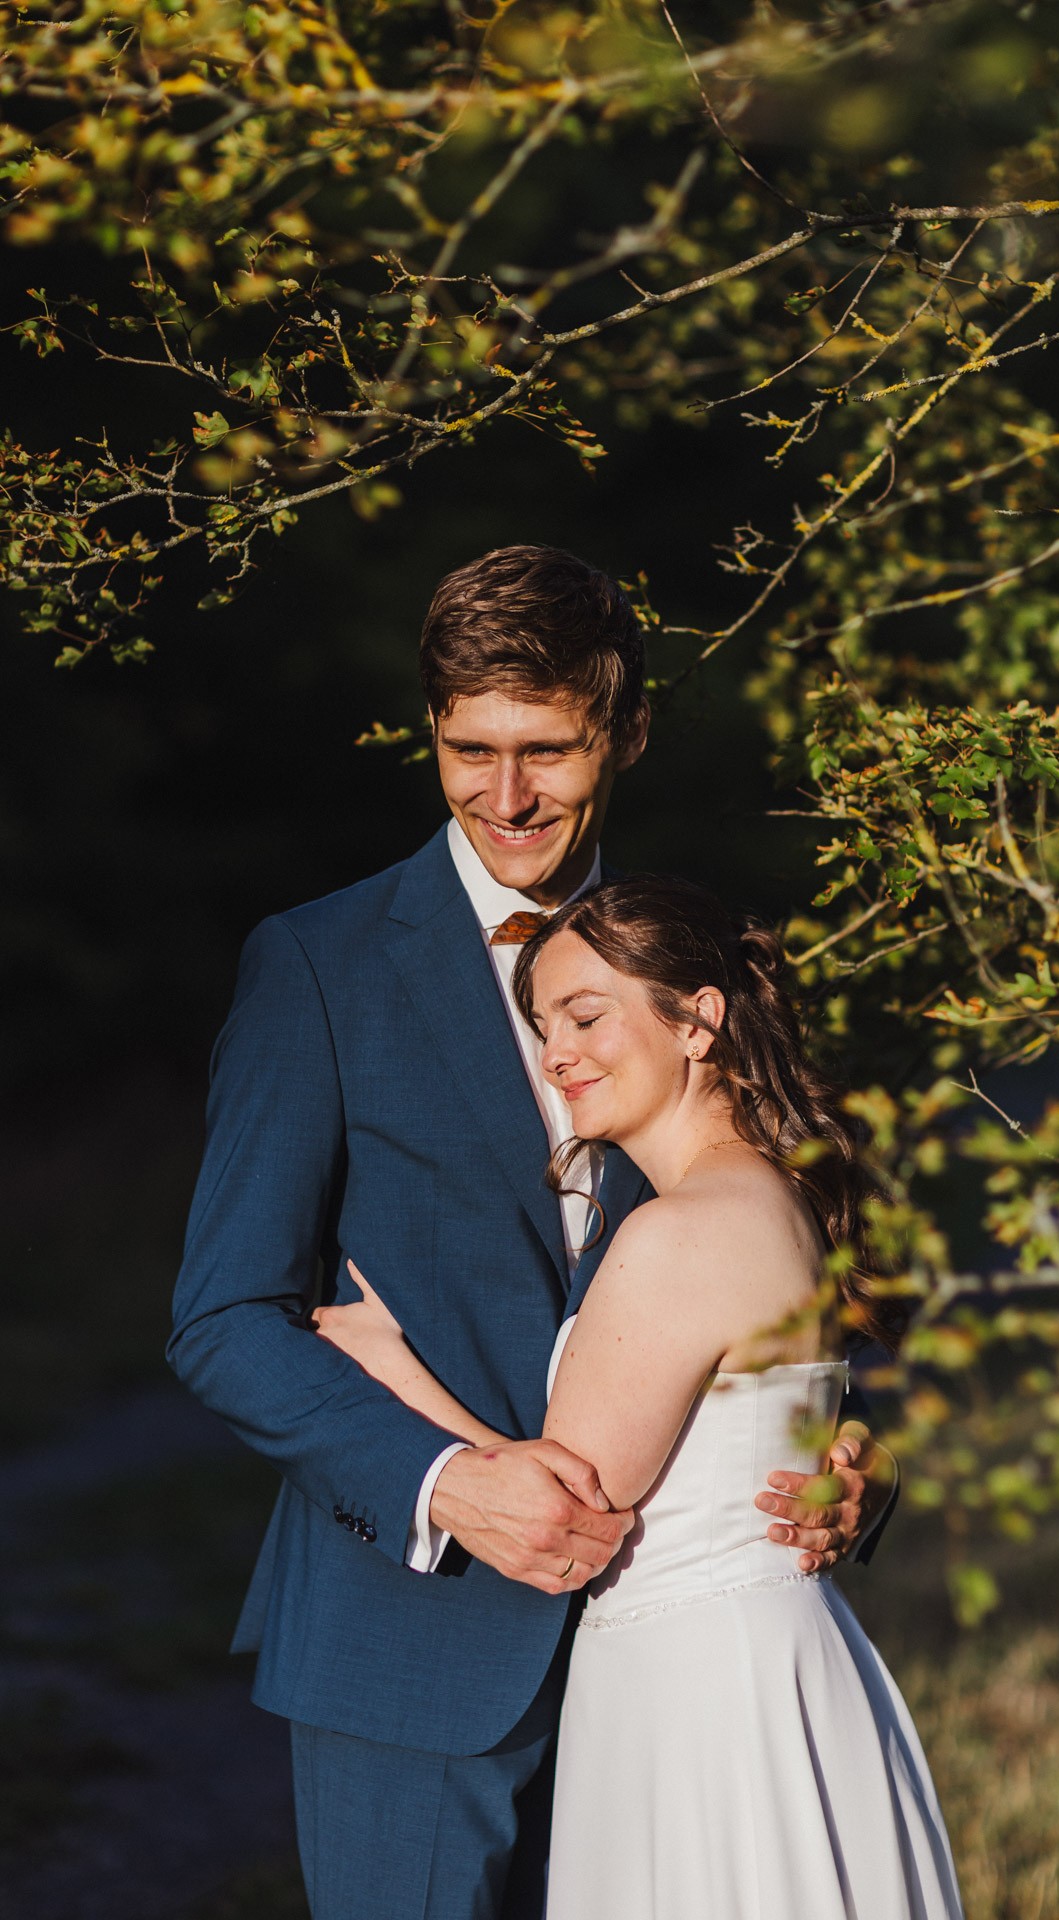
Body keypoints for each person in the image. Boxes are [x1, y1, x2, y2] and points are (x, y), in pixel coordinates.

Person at [168, 545, 897, 1920]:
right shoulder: (315, 969)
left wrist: (839, 1462)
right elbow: (221, 1319)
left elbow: (780, 1277)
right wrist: (444, 1480)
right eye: (469, 750)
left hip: (687, 1675)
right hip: (409, 1646)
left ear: (624, 731)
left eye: (547, 751)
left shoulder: (687, 970)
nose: (506, 797)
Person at [311, 874, 963, 1919]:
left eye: (584, 1014)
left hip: (694, 1690)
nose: (554, 1052)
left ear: (697, 1020)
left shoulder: (675, 1233)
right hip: (778, 1663)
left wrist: (395, 1372)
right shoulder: (773, 1192)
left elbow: (570, 1514)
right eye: (539, 1024)